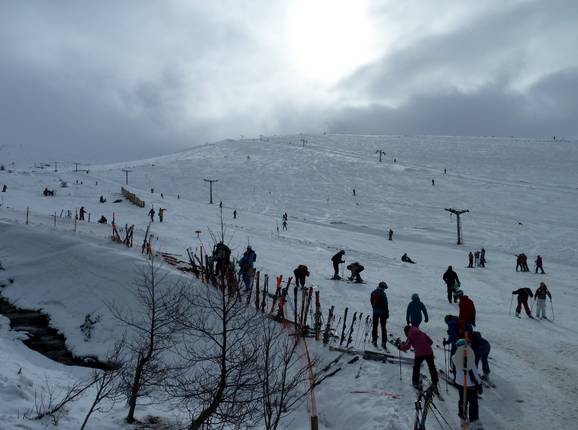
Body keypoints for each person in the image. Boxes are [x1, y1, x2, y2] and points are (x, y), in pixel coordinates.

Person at [452, 338, 483, 429]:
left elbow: (454, 369)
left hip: (460, 383)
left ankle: (463, 419)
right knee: (473, 403)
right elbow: (474, 372)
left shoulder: (454, 357)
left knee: (462, 400)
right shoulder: (469, 357)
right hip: (470, 384)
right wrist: (479, 384)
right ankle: (474, 421)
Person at [397, 325, 439, 391]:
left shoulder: (410, 334)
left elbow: (407, 346)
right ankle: (435, 382)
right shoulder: (420, 331)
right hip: (429, 351)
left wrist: (400, 346)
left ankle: (415, 382)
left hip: (419, 353)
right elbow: (430, 342)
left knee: (416, 367)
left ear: (406, 331)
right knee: (432, 367)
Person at [370, 282, 389, 348]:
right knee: (383, 327)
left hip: (375, 312)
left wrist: (374, 308)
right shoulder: (383, 294)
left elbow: (371, 301)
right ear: (382, 287)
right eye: (384, 288)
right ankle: (384, 342)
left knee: (375, 326)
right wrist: (387, 313)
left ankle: (374, 340)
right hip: (382, 313)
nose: (384, 289)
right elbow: (385, 304)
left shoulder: (373, 292)